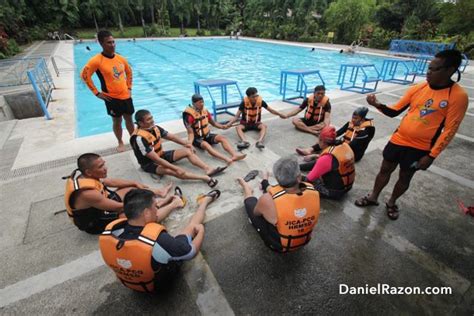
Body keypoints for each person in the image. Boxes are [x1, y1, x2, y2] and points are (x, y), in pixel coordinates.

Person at [355, 49, 469, 220]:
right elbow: (395, 111)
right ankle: (373, 197)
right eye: (428, 68)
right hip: (398, 139)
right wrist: (377, 104)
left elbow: (450, 130)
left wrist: (431, 156)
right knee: (385, 169)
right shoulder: (419, 87)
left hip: (420, 147)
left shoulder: (458, 96)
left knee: (405, 176)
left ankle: (392, 202)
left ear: (450, 70)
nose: (428, 72)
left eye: (433, 69)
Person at [99, 188, 220, 292]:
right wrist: (201, 231)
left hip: (133, 284)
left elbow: (150, 218)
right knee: (190, 227)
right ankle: (205, 202)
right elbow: (190, 252)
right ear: (146, 212)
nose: (156, 209)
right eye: (155, 207)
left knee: (148, 221)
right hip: (158, 286)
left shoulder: (112, 231)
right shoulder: (160, 240)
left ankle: (174, 203)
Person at [64, 153, 174, 234]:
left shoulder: (87, 176)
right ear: (88, 172)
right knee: (142, 216)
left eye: (104, 164)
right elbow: (116, 207)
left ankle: (160, 192)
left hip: (101, 204)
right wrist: (142, 206)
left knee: (131, 188)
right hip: (95, 221)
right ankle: (173, 204)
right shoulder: (87, 193)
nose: (105, 168)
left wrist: (134, 183)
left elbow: (110, 182)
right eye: (100, 167)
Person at [236, 156, 320, 253]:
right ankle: (263, 183)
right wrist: (265, 182)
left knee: (251, 205)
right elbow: (286, 192)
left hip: (280, 246)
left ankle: (246, 188)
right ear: (299, 177)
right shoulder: (312, 189)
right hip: (304, 240)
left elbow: (256, 213)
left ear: (277, 179)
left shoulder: (267, 199)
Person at [130, 109, 225, 188]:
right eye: (148, 119)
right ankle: (205, 178)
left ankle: (207, 169)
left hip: (161, 155)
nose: (152, 121)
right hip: (150, 163)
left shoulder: (155, 128)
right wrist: (175, 168)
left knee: (187, 151)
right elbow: (156, 159)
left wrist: (187, 144)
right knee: (174, 172)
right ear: (140, 123)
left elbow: (172, 137)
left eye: (152, 118)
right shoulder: (138, 138)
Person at [80, 30, 134, 152]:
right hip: (111, 98)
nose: (113, 45)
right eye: (109, 43)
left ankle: (134, 139)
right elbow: (84, 75)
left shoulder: (121, 58)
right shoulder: (96, 61)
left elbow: (129, 72)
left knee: (129, 119)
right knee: (117, 120)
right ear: (101, 44)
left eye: (113, 42)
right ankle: (120, 142)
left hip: (126, 95)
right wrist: (97, 93)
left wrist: (129, 88)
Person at [183, 94, 246, 165]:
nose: (202, 104)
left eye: (203, 102)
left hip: (207, 135)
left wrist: (222, 127)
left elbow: (213, 123)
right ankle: (225, 159)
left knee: (222, 138)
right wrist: (190, 144)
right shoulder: (188, 116)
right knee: (206, 145)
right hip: (196, 138)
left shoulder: (205, 111)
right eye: (200, 102)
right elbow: (190, 133)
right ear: (194, 103)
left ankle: (234, 155)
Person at [297, 106, 375, 163]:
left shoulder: (366, 130)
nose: (353, 120)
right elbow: (338, 133)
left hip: (354, 154)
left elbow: (352, 145)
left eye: (356, 118)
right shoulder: (350, 123)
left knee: (329, 159)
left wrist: (336, 145)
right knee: (326, 140)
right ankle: (310, 149)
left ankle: (317, 157)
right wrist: (326, 136)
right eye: (353, 117)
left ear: (362, 119)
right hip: (345, 145)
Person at [304, 126, 355, 200]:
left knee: (301, 181)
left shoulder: (326, 158)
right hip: (347, 187)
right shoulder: (344, 145)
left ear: (321, 140)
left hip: (334, 192)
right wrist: (300, 166)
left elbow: (309, 179)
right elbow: (320, 163)